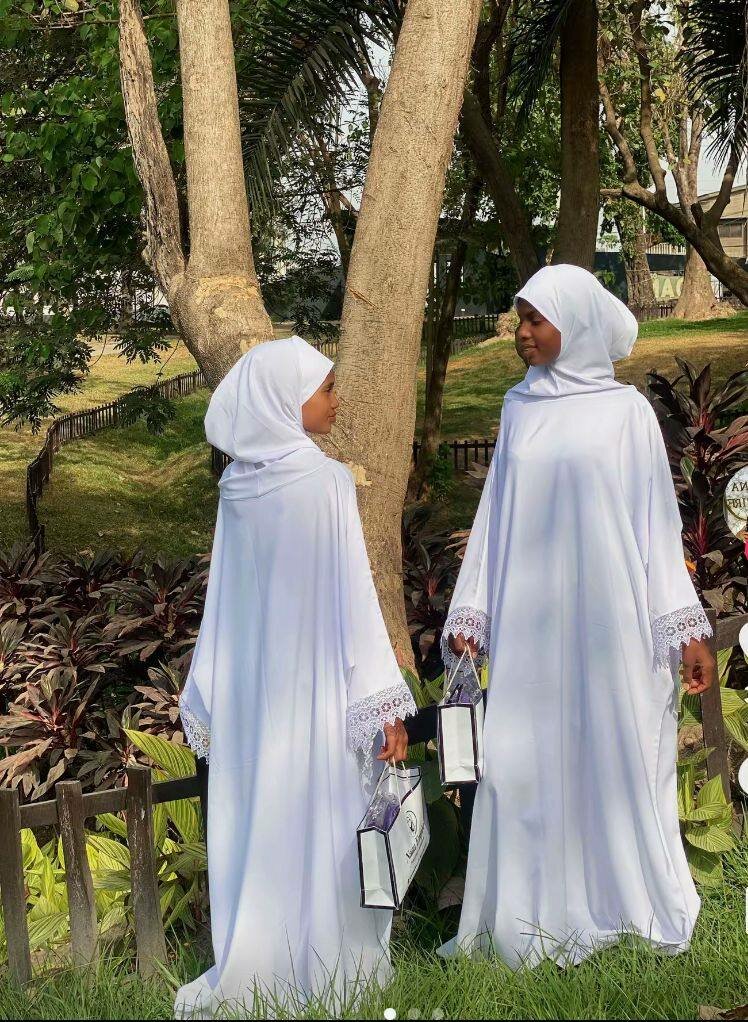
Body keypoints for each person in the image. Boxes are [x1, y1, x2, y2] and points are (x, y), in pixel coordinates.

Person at [437, 264, 715, 970]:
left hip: (611, 627)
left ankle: (622, 901)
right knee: (522, 761)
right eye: (520, 318)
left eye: (537, 319)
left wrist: (685, 632)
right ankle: (528, 915)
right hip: (530, 628)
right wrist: (474, 610)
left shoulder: (627, 415)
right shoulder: (518, 408)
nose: (522, 333)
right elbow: (495, 517)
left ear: (577, 324)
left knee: (613, 753)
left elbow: (656, 526)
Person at [174, 336, 416, 1018]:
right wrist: (380, 703)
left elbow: (225, 606)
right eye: (325, 388)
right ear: (284, 401)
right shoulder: (324, 482)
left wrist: (218, 688)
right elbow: (354, 597)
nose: (336, 399)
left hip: (256, 698)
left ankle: (262, 959)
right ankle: (326, 959)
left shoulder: (236, 491)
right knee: (320, 815)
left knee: (265, 815)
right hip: (316, 693)